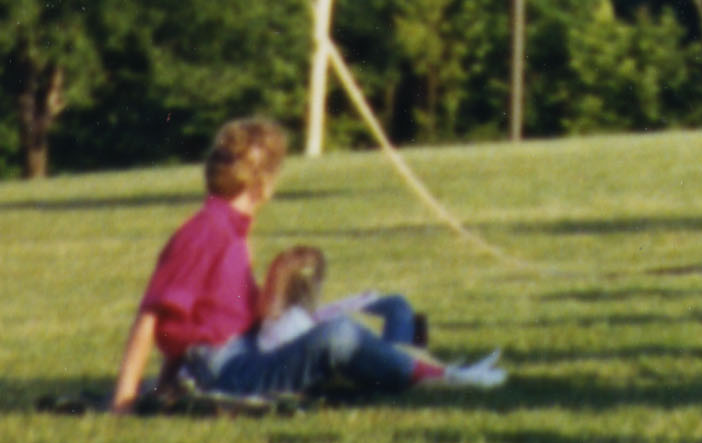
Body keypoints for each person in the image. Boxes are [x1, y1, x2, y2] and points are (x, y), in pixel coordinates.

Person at [107, 119, 496, 406]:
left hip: (246, 352)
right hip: (231, 368)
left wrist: (165, 383)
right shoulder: (206, 232)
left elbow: (188, 318)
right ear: (262, 184)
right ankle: (435, 374)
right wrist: (125, 398)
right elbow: (154, 317)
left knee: (389, 308)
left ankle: (408, 363)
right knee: (338, 334)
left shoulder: (230, 231)